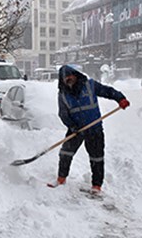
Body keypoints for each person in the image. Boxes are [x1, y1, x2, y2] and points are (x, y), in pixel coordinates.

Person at [48, 65, 130, 194]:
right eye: (65, 77)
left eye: (70, 75)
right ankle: (61, 179)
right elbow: (63, 114)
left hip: (94, 128)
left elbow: (107, 91)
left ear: (75, 74)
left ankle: (96, 186)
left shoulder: (90, 85)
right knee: (65, 153)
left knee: (96, 157)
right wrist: (73, 126)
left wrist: (120, 98)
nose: (68, 78)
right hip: (76, 129)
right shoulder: (63, 94)